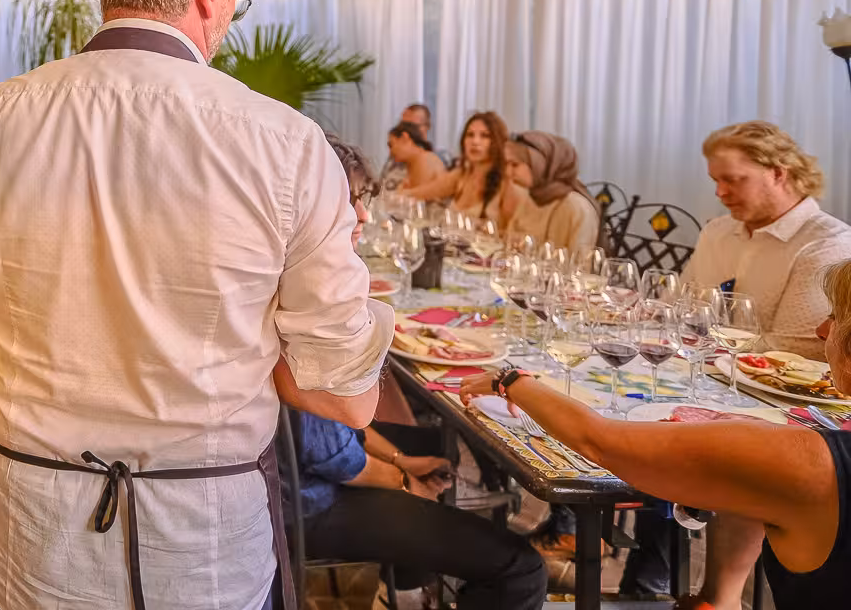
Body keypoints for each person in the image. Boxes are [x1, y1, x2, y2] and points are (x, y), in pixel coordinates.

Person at [0, 0, 393, 610]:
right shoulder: (285, 144)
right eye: (235, 0)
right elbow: (344, 399)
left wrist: (49, 324)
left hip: (36, 524)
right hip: (203, 542)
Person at [460, 254, 851, 610]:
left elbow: (599, 440)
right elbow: (752, 484)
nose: (820, 330)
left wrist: (510, 379)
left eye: (834, 316)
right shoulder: (807, 452)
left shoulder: (809, 460)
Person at [295, 136, 548, 610]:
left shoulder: (297, 271)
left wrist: (401, 462)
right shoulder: (312, 293)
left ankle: (409, 591)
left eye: (362, 200)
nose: (365, 216)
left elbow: (335, 428)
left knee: (434, 448)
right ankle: (423, 570)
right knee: (522, 569)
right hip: (308, 501)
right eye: (350, 201)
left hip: (303, 474)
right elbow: (331, 451)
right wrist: (403, 482)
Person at [683, 121, 851, 360]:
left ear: (778, 173)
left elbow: (796, 348)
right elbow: (677, 305)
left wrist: (698, 343)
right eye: (716, 181)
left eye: (732, 179)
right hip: (700, 371)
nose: (720, 192)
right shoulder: (716, 231)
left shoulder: (827, 244)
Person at [501, 131, 602, 251]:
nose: (508, 172)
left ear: (540, 163)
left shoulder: (576, 207)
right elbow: (509, 244)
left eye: (515, 164)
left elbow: (581, 265)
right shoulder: (530, 197)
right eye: (506, 164)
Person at [408, 111, 510, 222]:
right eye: (470, 135)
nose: (475, 142)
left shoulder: (507, 184)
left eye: (485, 136)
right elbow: (421, 193)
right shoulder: (462, 175)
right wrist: (396, 195)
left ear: (497, 141)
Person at [386, 120, 447, 193]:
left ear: (404, 138)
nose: (390, 152)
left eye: (391, 145)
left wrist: (402, 193)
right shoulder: (413, 163)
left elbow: (421, 199)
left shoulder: (425, 159)